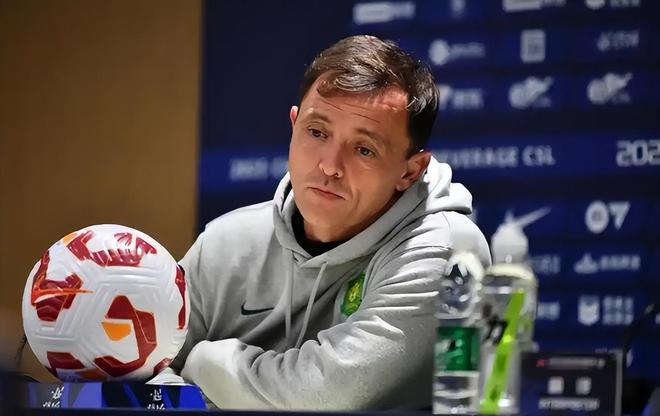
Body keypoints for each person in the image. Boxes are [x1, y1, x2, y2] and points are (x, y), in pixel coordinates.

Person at [158, 35, 490, 410]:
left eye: (364, 149)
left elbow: (326, 394)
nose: (330, 165)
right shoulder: (224, 245)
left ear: (410, 172)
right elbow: (141, 376)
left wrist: (204, 363)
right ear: (294, 126)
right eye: (317, 133)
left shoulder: (445, 249)